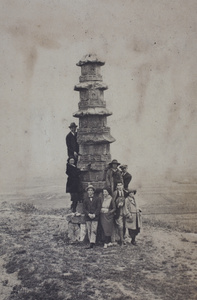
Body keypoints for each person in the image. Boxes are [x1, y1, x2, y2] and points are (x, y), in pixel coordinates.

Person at [83, 185, 101, 249]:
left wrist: (94, 214)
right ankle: (90, 241)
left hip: (95, 217)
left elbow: (98, 208)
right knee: (89, 230)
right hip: (88, 217)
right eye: (89, 190)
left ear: (93, 191)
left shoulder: (97, 199)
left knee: (94, 230)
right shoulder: (85, 199)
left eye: (91, 190)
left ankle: (92, 243)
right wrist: (88, 214)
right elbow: (84, 209)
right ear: (87, 192)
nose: (90, 192)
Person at [112, 182, 127, 246]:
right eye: (118, 185)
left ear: (122, 186)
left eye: (120, 185)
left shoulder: (125, 192)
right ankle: (121, 240)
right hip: (118, 211)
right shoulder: (115, 193)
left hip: (125, 211)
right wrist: (116, 206)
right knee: (120, 226)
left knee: (125, 226)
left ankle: (123, 238)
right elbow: (113, 201)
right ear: (117, 186)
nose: (119, 186)